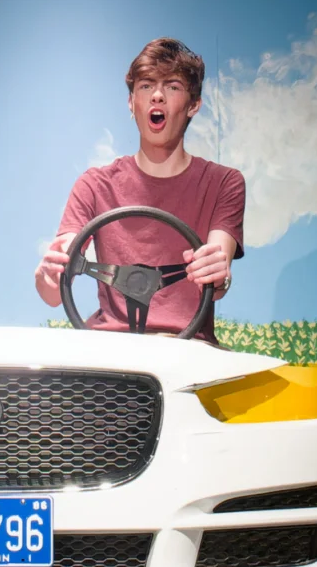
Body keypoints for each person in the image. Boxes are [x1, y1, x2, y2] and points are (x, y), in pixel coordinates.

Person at [33, 37, 245, 346]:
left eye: (172, 87)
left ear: (193, 105)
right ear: (132, 103)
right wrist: (47, 275)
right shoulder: (94, 185)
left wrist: (219, 272)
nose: (157, 95)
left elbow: (218, 276)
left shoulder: (224, 182)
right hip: (109, 352)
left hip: (188, 350)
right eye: (146, 86)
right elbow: (53, 292)